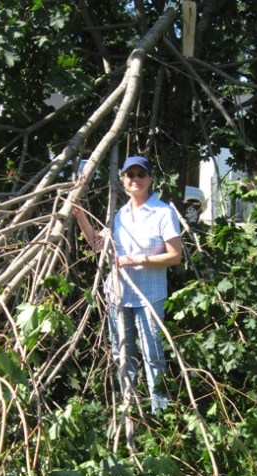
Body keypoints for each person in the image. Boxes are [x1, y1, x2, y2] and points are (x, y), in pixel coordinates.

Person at [73, 155, 183, 412]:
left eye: (140, 174)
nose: (135, 179)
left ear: (150, 179)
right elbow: (97, 245)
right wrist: (81, 218)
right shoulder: (119, 215)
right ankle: (129, 409)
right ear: (123, 180)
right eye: (130, 174)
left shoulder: (163, 212)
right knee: (122, 354)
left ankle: (160, 412)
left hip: (149, 296)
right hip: (118, 294)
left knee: (153, 355)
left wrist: (138, 259)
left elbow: (175, 256)